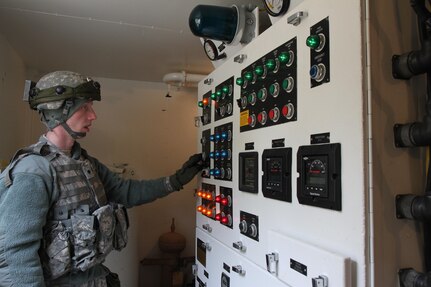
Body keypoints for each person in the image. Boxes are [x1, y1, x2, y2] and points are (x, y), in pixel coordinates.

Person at [0, 71, 203, 286]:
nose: (93, 115)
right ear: (59, 111)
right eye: (85, 107)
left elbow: (126, 192)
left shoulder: (85, 163)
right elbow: (16, 254)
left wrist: (176, 180)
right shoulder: (33, 171)